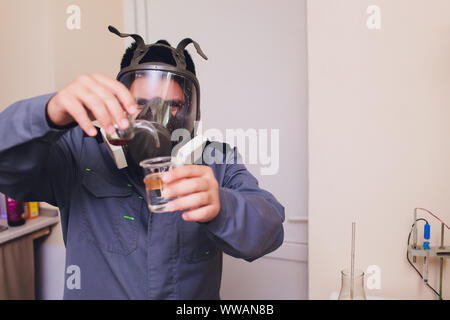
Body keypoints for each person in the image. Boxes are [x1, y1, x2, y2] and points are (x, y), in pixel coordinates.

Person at [0, 27, 285, 299]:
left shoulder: (216, 161)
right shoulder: (78, 152)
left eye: (172, 106)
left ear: (190, 109)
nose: (156, 118)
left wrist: (222, 207)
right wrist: (49, 113)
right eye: (141, 102)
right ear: (119, 101)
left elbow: (270, 230)